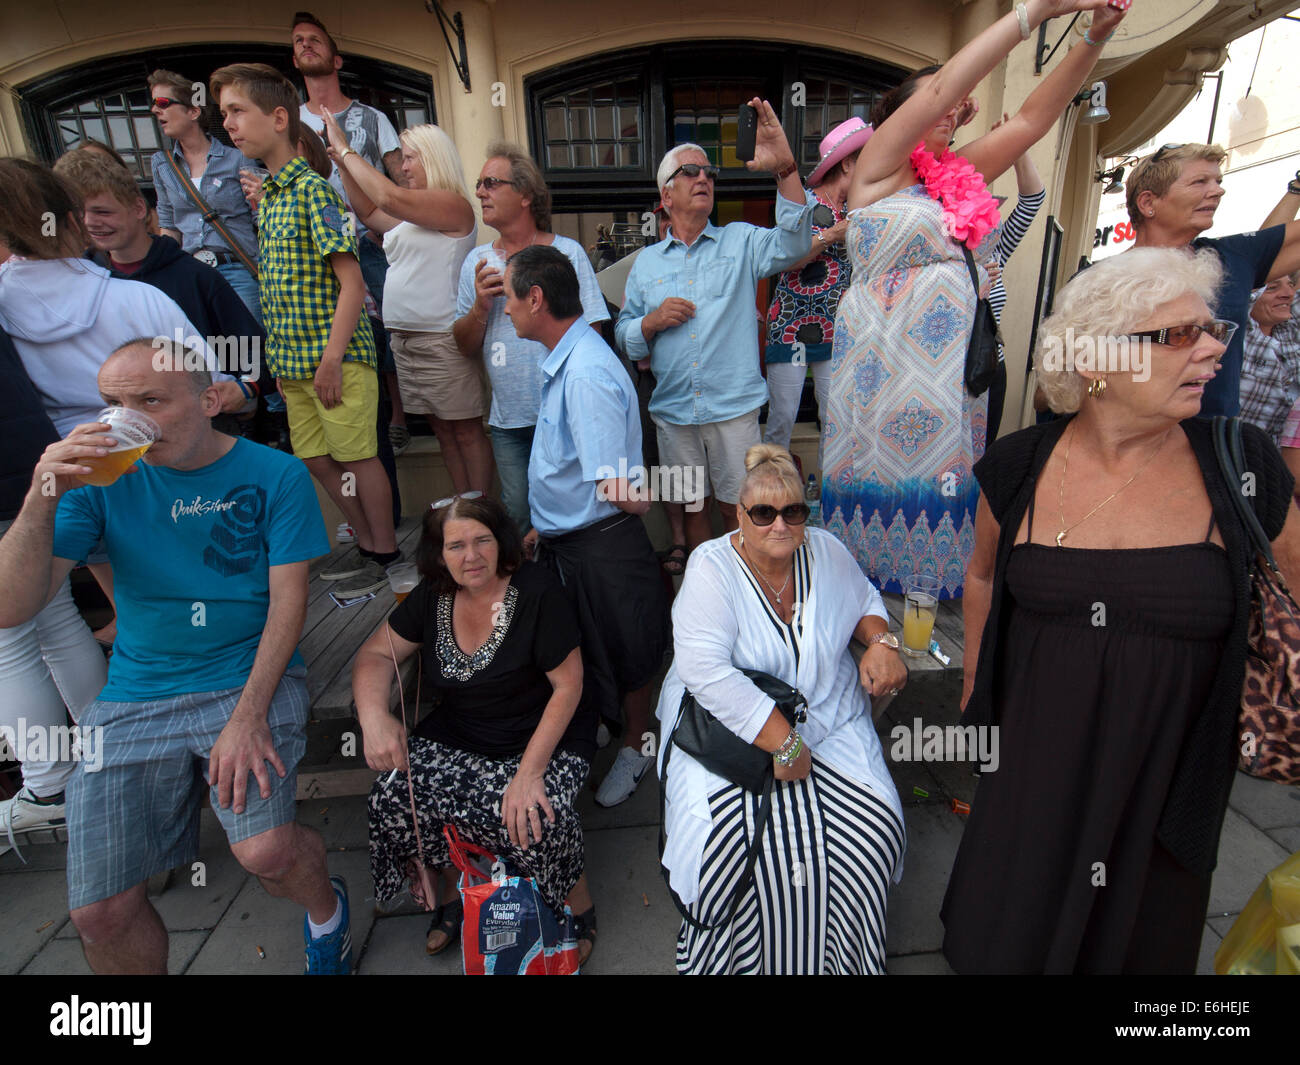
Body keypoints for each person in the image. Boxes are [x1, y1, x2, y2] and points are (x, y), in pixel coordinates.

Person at [944, 246, 1300, 973]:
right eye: (1177, 335)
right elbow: (981, 576)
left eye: (1213, 331)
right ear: (1095, 358)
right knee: (1011, 923)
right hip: (1032, 764)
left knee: (1130, 938)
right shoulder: (1018, 465)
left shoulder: (1243, 462)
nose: (1210, 351)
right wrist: (976, 676)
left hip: (1165, 778)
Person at [0, 338, 352, 975]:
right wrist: (42, 493)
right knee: (98, 912)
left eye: (150, 401)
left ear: (210, 399)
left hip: (243, 677)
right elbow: (9, 606)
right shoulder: (96, 486)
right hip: (137, 692)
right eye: (112, 402)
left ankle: (328, 912)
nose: (125, 418)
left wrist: (247, 716)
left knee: (266, 852)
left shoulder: (275, 474)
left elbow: (287, 607)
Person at [822, 0, 1130, 599]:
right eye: (946, 99)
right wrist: (1035, 14)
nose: (957, 106)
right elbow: (939, 88)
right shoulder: (878, 172)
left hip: (944, 373)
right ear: (899, 118)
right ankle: (858, 608)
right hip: (878, 368)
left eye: (962, 105)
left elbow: (1030, 124)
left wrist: (1092, 38)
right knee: (873, 481)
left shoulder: (956, 173)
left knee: (940, 482)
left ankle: (926, 606)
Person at [656, 443, 906, 973]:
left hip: (828, 715)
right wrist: (784, 742)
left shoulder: (825, 550)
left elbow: (863, 599)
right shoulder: (711, 566)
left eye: (792, 511)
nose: (779, 525)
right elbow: (705, 671)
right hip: (731, 727)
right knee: (725, 843)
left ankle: (842, 961)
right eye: (764, 513)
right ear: (740, 515)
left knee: (870, 831)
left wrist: (882, 643)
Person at [354, 494, 597, 963]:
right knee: (391, 793)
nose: (471, 556)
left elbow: (569, 686)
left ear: (500, 541)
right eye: (456, 545)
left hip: (544, 735)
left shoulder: (537, 592)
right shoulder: (434, 592)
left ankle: (575, 904)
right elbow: (376, 654)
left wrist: (528, 774)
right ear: (437, 553)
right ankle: (451, 888)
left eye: (482, 540)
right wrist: (374, 718)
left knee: (532, 816)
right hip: (462, 731)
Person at [211, 62, 399, 599]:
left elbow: (352, 282)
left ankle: (383, 550)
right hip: (293, 364)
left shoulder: (315, 191)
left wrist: (334, 357)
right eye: (223, 112)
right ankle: (365, 541)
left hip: (333, 358)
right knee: (316, 456)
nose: (228, 123)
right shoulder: (269, 196)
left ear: (277, 117)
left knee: (359, 455)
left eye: (237, 111)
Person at [504, 246, 671, 808]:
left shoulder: (586, 374)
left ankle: (637, 746)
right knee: (590, 647)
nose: (505, 310)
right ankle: (599, 729)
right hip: (572, 542)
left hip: (603, 544)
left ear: (535, 298)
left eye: (509, 297)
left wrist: (644, 511)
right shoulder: (570, 361)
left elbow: (615, 487)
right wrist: (545, 528)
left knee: (628, 651)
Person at [616, 100, 813, 552]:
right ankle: (706, 591)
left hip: (734, 412)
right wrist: (649, 322)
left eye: (709, 173)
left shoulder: (741, 241)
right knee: (690, 506)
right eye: (690, 172)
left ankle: (742, 592)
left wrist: (784, 169)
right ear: (666, 196)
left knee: (739, 508)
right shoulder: (645, 264)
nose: (704, 177)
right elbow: (625, 338)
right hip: (673, 414)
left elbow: (796, 241)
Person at [323, 113, 494, 496]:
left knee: (465, 430)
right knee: (443, 431)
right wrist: (340, 162)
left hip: (441, 341)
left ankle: (479, 510)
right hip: (406, 342)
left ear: (433, 158)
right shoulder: (410, 214)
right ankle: (460, 506)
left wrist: (349, 149)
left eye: (411, 157)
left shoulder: (453, 205)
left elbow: (387, 196)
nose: (403, 165)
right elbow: (368, 211)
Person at [451, 144, 609, 533]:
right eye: (479, 184)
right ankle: (533, 592)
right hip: (509, 421)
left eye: (492, 183)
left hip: (563, 416)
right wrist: (480, 309)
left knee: (570, 513)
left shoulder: (566, 254)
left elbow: (593, 335)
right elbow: (463, 346)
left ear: (525, 195)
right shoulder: (477, 262)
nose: (481, 192)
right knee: (520, 516)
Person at [53, 151, 269, 425]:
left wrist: (247, 386)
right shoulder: (78, 282)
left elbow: (249, 349)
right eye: (80, 214)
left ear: (139, 208)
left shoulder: (194, 276)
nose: (91, 223)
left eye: (102, 211)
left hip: (200, 432)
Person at [0, 327, 106, 859]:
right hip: (24, 455)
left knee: (8, 640)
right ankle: (107, 752)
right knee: (56, 617)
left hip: (21, 471)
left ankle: (51, 783)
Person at [290, 11, 408, 455]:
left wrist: (394, 231)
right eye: (298, 40)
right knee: (336, 329)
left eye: (314, 39)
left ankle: (397, 414)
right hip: (316, 246)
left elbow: (399, 180)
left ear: (336, 60)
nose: (305, 44)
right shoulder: (288, 122)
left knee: (389, 327)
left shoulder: (372, 118)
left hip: (369, 239)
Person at [1122, 144, 1300, 418]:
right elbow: (1056, 386)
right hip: (1130, 443)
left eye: (1218, 181)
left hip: (1213, 448)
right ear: (1148, 203)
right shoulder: (1100, 282)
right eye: (1199, 182)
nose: (1218, 190)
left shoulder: (1232, 257)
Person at [762, 117, 872, 450]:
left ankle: (829, 499)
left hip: (837, 332)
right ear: (849, 163)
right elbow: (784, 261)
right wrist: (831, 235)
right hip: (792, 327)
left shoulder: (859, 208)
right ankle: (770, 498)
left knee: (836, 421)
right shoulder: (805, 202)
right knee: (782, 417)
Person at [147, 68, 263, 323]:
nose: (156, 110)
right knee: (205, 353)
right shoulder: (161, 164)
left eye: (163, 103)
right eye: (153, 104)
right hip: (192, 272)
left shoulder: (237, 158)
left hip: (238, 268)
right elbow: (168, 224)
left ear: (193, 111)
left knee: (250, 352)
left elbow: (259, 217)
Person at [984, 123, 1046, 437]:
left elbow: (1032, 201)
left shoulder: (995, 250)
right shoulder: (936, 252)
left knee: (982, 458)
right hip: (946, 371)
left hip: (992, 365)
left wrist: (1017, 148)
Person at [1239, 273, 1300, 445]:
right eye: (1272, 288)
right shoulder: (1237, 336)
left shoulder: (1290, 328)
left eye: (1291, 284)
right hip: (1234, 451)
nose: (1288, 293)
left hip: (1275, 457)